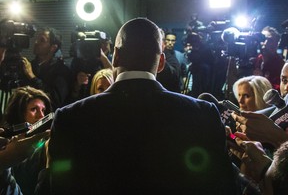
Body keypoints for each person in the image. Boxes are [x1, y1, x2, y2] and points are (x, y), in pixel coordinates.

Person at [38, 17, 237, 194]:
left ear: (115, 56)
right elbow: (223, 185)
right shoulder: (203, 114)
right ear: (160, 63)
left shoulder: (69, 117)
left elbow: (57, 187)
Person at [0, 86, 52, 195]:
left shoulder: (46, 142)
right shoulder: (7, 147)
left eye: (43, 110)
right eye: (34, 109)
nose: (41, 116)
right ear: (18, 113)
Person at [22, 27, 73, 111]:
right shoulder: (30, 66)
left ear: (53, 47)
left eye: (42, 40)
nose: (36, 42)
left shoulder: (62, 70)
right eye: (37, 39)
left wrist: (32, 77)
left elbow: (55, 99)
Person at [254, 26, 285, 91]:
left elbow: (281, 90)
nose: (264, 43)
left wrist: (262, 81)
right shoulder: (255, 61)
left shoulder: (281, 66)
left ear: (276, 44)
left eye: (269, 40)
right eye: (262, 39)